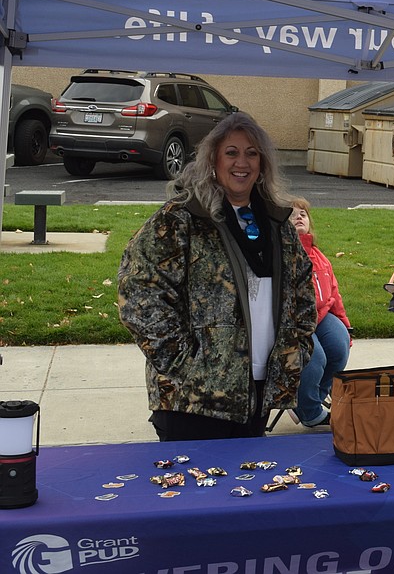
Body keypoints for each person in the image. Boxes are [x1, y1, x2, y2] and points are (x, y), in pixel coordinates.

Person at [118, 112, 317, 442]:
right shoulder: (179, 219)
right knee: (193, 491)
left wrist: (296, 353)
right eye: (232, 152)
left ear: (263, 163)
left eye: (252, 153)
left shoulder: (278, 223)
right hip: (191, 403)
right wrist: (187, 366)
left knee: (247, 489)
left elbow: (303, 295)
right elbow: (139, 294)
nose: (243, 162)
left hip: (258, 392)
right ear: (212, 160)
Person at [289, 196, 352, 428]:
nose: (299, 217)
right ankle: (310, 412)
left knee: (339, 345)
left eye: (303, 214)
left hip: (322, 315)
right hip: (294, 320)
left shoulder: (320, 257)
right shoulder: (283, 254)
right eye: (293, 214)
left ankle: (308, 400)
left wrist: (345, 325)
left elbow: (334, 295)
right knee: (315, 357)